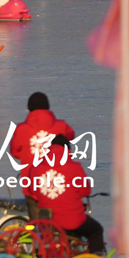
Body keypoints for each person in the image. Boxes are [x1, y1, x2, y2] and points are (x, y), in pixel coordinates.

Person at [25, 135, 104, 254]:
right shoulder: (75, 167)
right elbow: (85, 191)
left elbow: (33, 193)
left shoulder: (36, 168)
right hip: (72, 220)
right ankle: (95, 255)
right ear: (68, 150)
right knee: (96, 231)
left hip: (48, 222)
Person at [10, 92, 76, 220]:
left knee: (37, 223)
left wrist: (28, 156)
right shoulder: (61, 126)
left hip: (31, 181)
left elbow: (15, 151)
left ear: (29, 107)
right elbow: (70, 138)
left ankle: (39, 237)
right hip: (56, 180)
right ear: (48, 106)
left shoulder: (21, 129)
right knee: (59, 221)